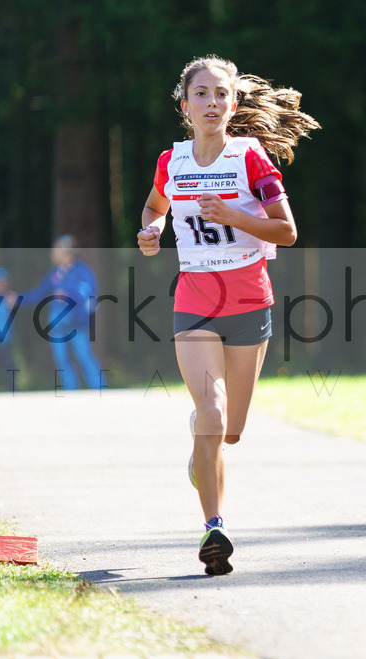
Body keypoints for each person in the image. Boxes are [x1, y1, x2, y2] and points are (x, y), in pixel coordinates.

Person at [138, 55, 319, 575]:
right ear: (185, 104)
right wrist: (152, 232)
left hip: (249, 303)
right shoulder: (171, 162)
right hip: (194, 301)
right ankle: (213, 529)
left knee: (229, 430)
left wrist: (234, 216)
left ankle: (203, 441)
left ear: (233, 103)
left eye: (221, 94)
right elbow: (155, 206)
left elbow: (286, 231)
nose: (211, 102)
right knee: (213, 413)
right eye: (201, 93)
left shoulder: (251, 160)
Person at [14, 235, 103, 391]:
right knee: (61, 360)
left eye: (55, 250)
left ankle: (99, 388)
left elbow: (88, 293)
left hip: (77, 324)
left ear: (66, 251)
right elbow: (38, 293)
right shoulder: (54, 273)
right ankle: (70, 391)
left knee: (84, 356)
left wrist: (68, 294)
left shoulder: (82, 271)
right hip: (57, 324)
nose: (52, 253)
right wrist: (17, 300)